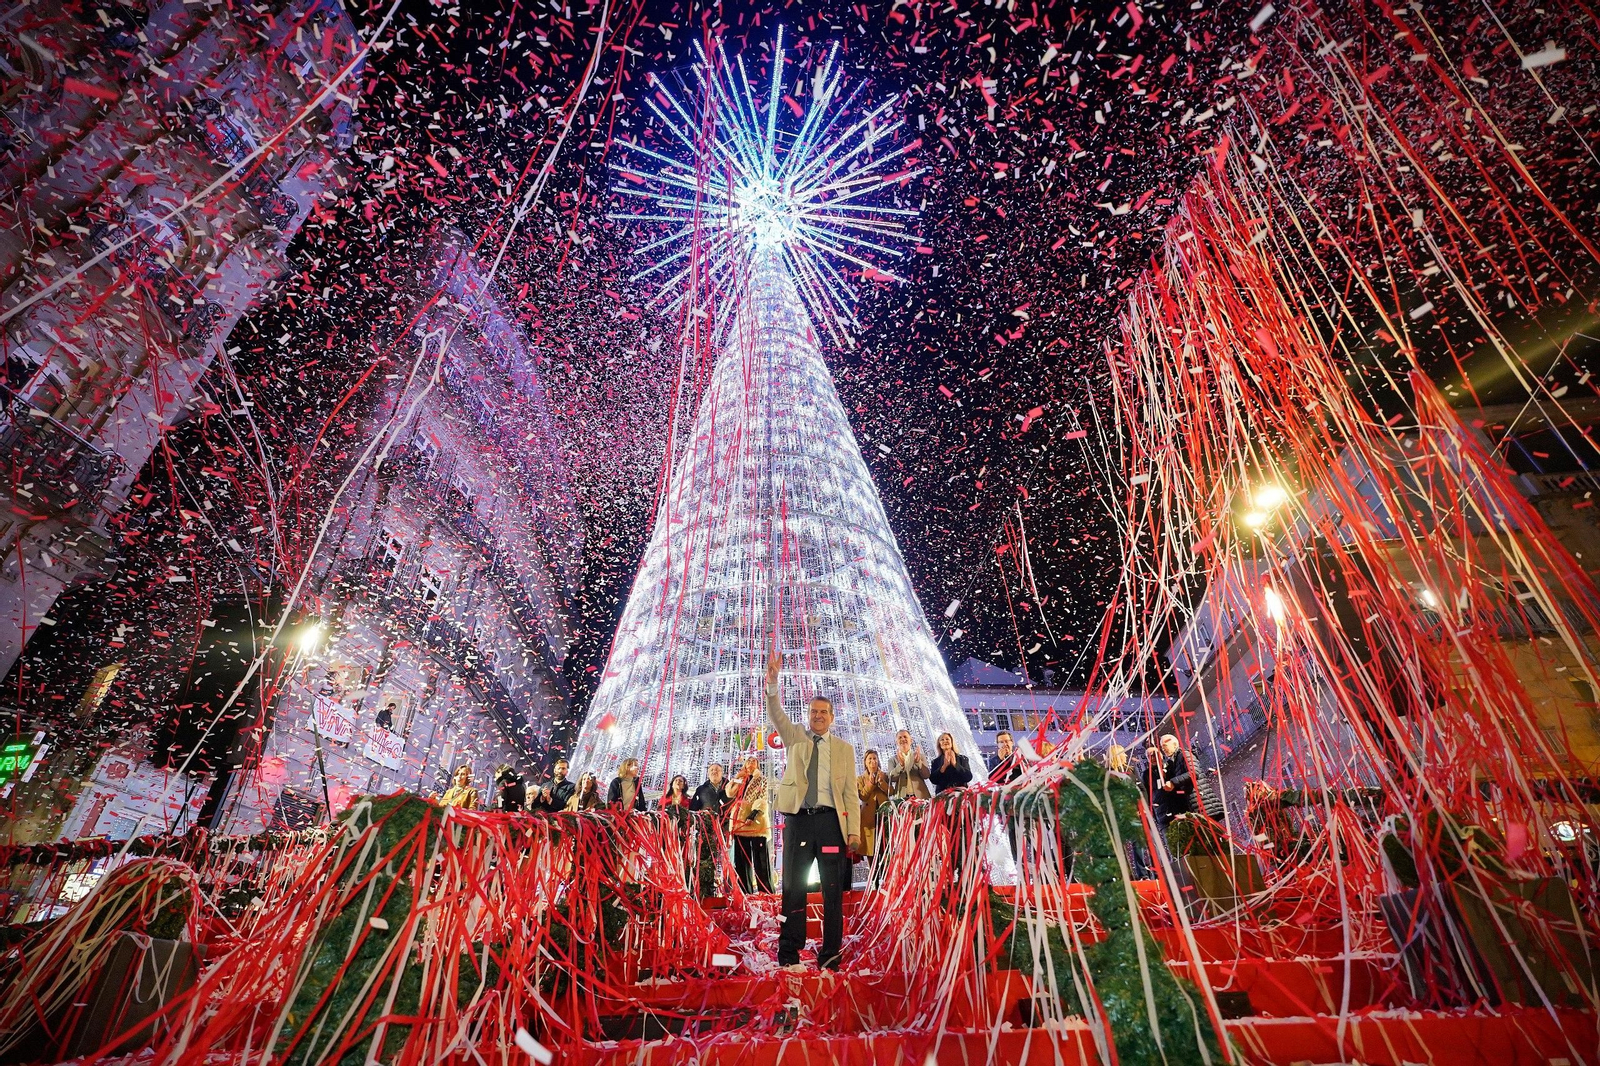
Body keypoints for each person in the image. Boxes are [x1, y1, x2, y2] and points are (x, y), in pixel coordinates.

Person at [765, 653, 861, 971]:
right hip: (798, 823)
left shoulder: (845, 750)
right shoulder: (797, 737)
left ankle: (830, 954)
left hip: (831, 825)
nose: (818, 716)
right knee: (793, 888)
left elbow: (849, 794)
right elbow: (776, 715)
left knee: (833, 888)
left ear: (832, 717)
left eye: (823, 712)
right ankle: (789, 953)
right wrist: (773, 682)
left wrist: (853, 832)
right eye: (814, 712)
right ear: (808, 716)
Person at [728, 756, 773, 892]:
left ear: (758, 765)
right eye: (748, 760)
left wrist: (753, 814)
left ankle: (765, 891)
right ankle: (744, 892)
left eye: (754, 761)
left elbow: (763, 797)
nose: (751, 763)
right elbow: (729, 792)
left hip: (756, 822)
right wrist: (737, 776)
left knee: (761, 860)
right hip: (739, 821)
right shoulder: (740, 779)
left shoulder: (762, 779)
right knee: (741, 860)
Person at [856, 750, 890, 860]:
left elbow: (891, 792)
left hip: (884, 815)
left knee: (886, 846)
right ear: (865, 762)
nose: (872, 761)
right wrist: (870, 784)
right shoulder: (860, 779)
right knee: (871, 848)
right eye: (869, 758)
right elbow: (863, 796)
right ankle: (873, 875)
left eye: (874, 758)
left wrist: (881, 783)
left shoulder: (884, 775)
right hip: (868, 817)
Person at [886, 730, 931, 800]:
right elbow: (891, 778)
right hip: (902, 798)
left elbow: (927, 775)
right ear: (896, 742)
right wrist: (900, 765)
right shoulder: (892, 760)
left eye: (905, 737)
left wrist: (919, 762)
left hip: (921, 797)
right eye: (900, 738)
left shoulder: (920, 756)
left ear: (911, 740)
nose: (903, 739)